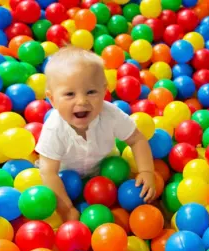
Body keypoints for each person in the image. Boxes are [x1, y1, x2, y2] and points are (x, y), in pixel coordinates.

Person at [35, 45, 156, 223]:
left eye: (91, 92)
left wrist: (147, 171)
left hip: (107, 174)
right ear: (52, 99)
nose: (82, 101)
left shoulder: (110, 114)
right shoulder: (54, 128)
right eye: (69, 94)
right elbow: (48, 173)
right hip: (65, 179)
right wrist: (67, 209)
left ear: (104, 91)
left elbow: (137, 139)